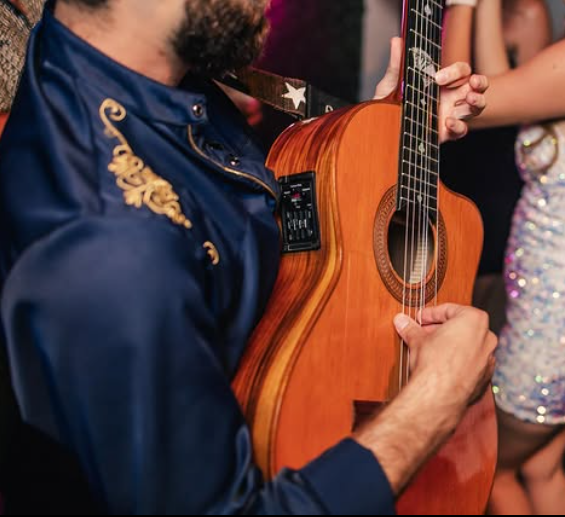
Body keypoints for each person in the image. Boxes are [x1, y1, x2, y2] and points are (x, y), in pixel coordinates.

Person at [0, 0, 494, 514]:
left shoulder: (131, 68)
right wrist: (434, 400)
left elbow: (238, 229)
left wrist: (377, 139)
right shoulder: (113, 250)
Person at [444, 0, 565, 514]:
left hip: (550, 332)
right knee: (540, 468)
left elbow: (464, 104)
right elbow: (499, 81)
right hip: (548, 320)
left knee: (488, 466)